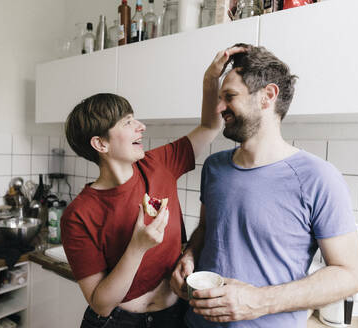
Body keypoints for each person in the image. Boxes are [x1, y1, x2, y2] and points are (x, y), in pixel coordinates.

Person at [170, 44, 358, 328]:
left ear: (268, 96)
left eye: (230, 97)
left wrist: (259, 301)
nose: (219, 108)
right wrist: (189, 255)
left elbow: (350, 275)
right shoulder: (214, 167)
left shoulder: (318, 177)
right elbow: (207, 229)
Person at [61, 46, 246, 328]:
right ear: (101, 144)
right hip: (119, 321)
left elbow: (210, 126)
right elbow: (100, 302)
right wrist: (137, 247)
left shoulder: (159, 164)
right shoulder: (79, 214)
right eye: (128, 122)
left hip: (174, 316)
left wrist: (210, 80)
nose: (141, 126)